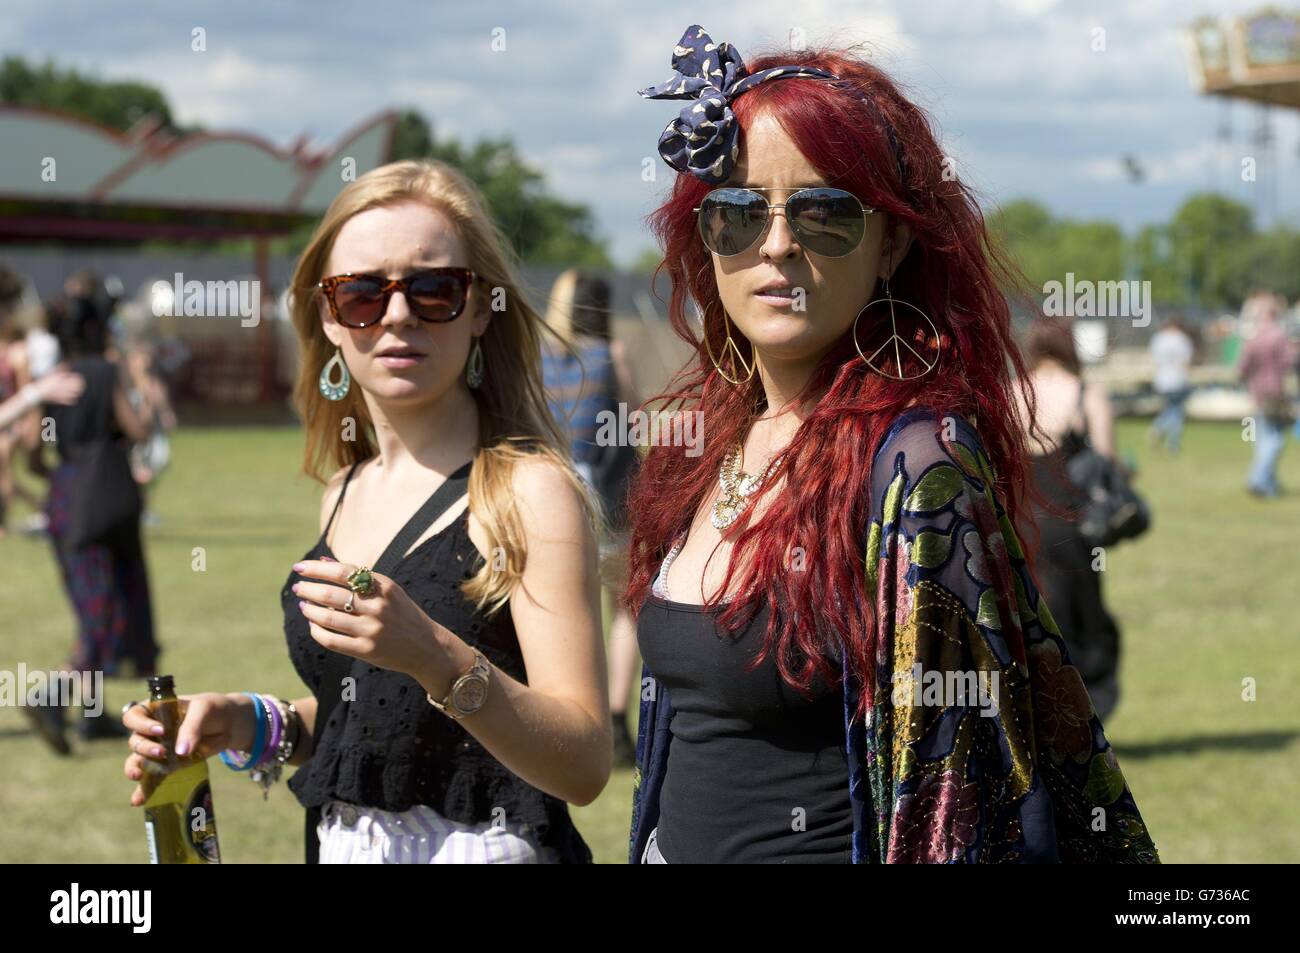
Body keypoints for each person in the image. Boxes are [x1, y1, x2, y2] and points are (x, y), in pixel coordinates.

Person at [625, 24, 1159, 863]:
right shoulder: (702, 447)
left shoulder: (918, 465)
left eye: (824, 213)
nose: (776, 244)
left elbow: (957, 806)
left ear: (892, 245)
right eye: (738, 213)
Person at [123, 159, 611, 864]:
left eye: (434, 288)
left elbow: (585, 763)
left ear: (480, 308)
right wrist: (251, 722)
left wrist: (436, 655)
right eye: (361, 293)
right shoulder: (343, 489)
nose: (398, 314)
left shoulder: (531, 492)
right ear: (328, 317)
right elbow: (373, 715)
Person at [27, 277, 158, 753]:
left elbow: (33, 447)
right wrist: (139, 382)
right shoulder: (105, 373)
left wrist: (60, 470)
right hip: (106, 498)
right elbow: (138, 429)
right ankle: (51, 694)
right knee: (106, 610)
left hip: (65, 497)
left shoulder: (54, 379)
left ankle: (91, 714)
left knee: (90, 604)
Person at [541, 269, 642, 766]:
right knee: (624, 610)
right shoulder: (610, 356)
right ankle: (617, 723)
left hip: (555, 503)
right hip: (613, 502)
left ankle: (566, 715)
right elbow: (635, 420)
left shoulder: (539, 361)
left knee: (564, 609)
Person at [1014, 319, 1124, 721]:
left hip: (1020, 521)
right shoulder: (1086, 394)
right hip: (1071, 524)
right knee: (1082, 618)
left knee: (1030, 619)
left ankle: (1037, 715)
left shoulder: (1012, 392)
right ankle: (1084, 714)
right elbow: (1106, 462)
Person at [1237, 294, 1297, 497]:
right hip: (1275, 393)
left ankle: (1268, 482)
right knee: (1274, 439)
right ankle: (1258, 480)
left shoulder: (1253, 338)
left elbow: (1242, 367)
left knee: (1260, 437)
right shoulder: (1279, 336)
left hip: (1256, 393)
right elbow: (1290, 362)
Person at [1146, 316, 1194, 454]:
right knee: (1176, 411)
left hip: (1161, 380)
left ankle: (1159, 429)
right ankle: (1171, 442)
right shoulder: (1182, 340)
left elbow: (1154, 359)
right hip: (1178, 380)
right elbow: (1186, 362)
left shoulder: (1158, 338)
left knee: (1171, 408)